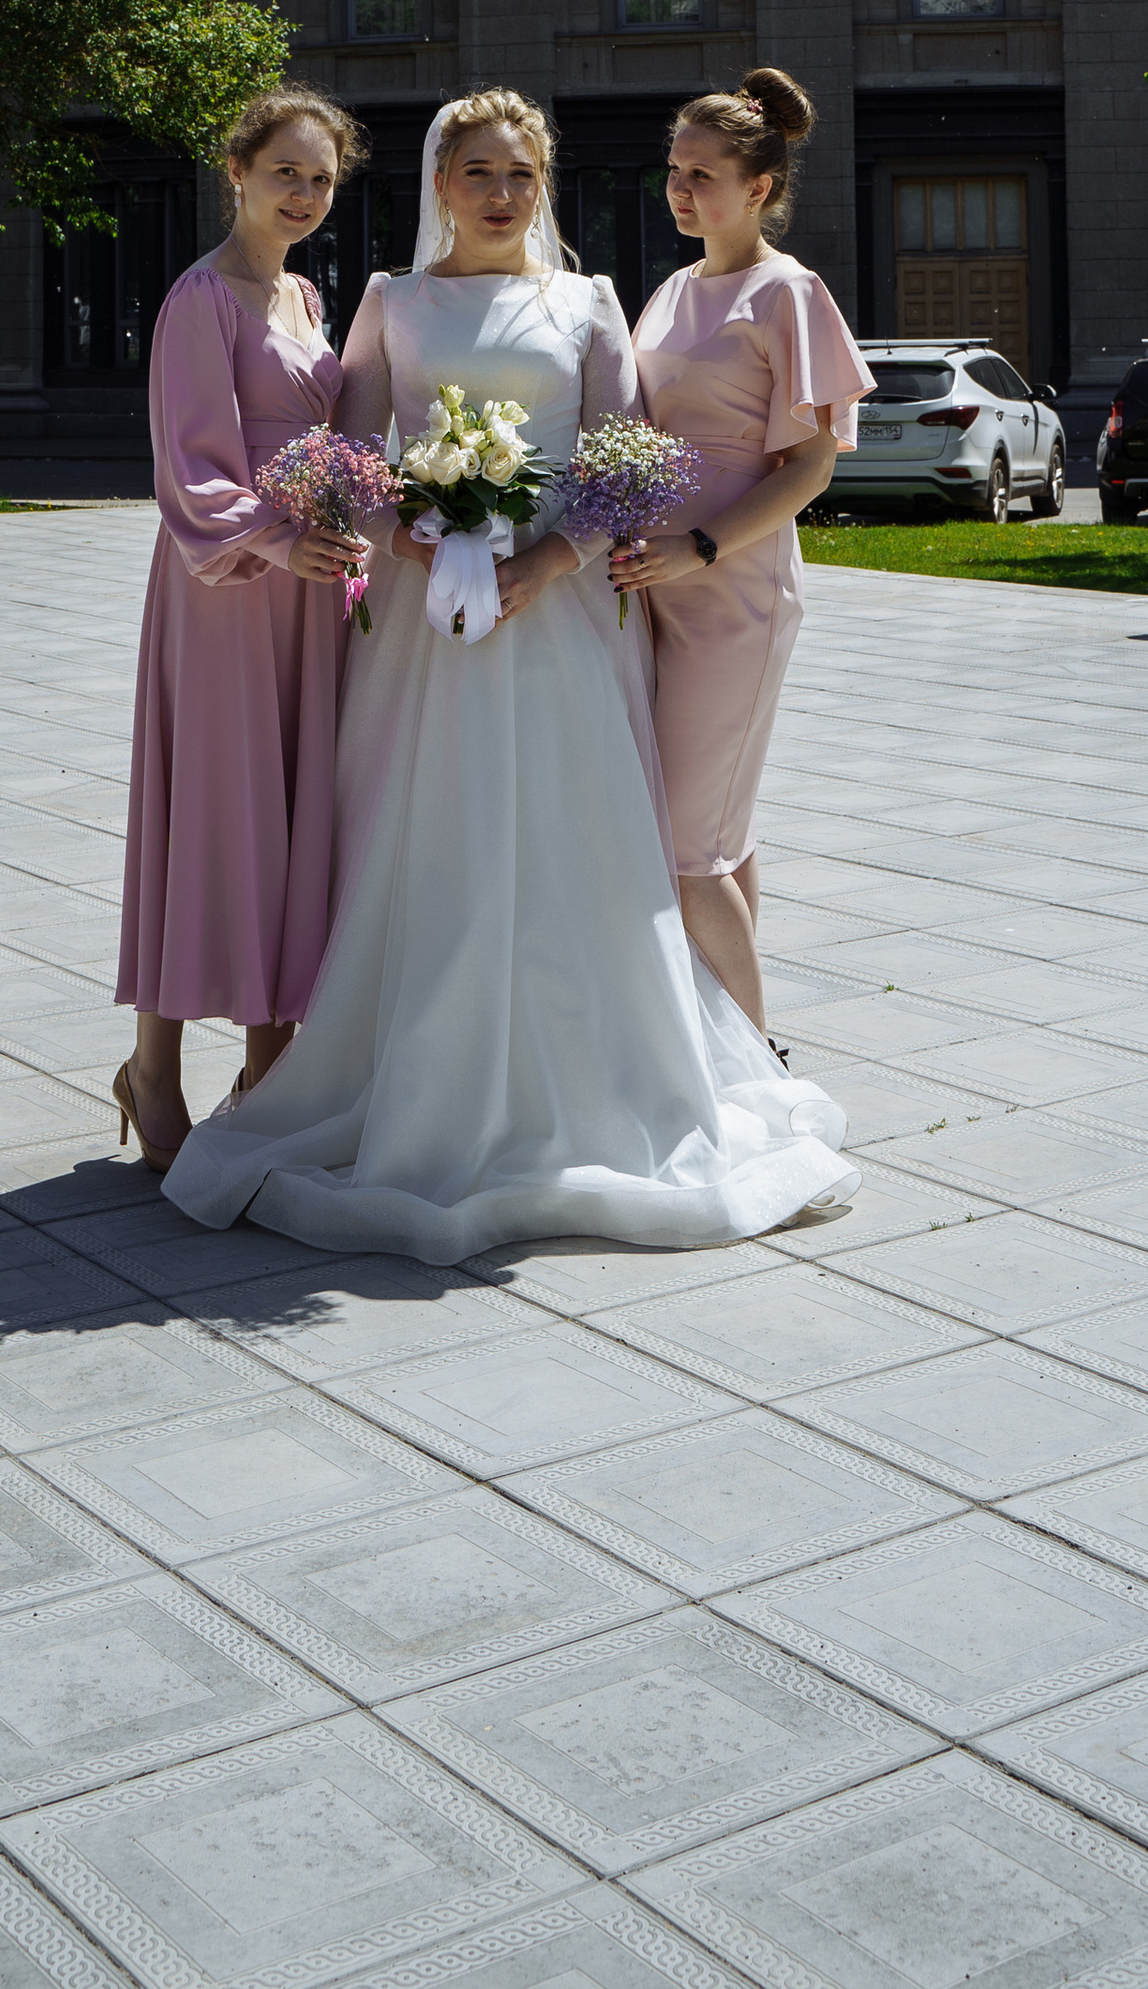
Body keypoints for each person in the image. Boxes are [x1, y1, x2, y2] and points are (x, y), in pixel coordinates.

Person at [164, 87, 851, 1262]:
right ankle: (400, 1069)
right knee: (427, 831)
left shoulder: (587, 302)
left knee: (578, 834)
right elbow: (354, 451)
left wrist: (548, 556)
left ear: (543, 186)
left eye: (519, 176)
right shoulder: (390, 300)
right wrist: (411, 541)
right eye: (477, 173)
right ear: (441, 185)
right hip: (421, 614)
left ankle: (599, 1071)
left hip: (563, 610)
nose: (499, 194)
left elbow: (618, 457)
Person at [114, 88, 373, 1169]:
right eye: (286, 173)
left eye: (320, 178)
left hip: (311, 593)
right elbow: (191, 475)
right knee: (212, 817)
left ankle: (273, 1068)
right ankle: (153, 1068)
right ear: (236, 171)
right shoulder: (200, 300)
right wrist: (276, 540)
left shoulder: (308, 301)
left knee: (294, 818)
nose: (304, 195)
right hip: (224, 594)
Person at [611, 71, 876, 1038]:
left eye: (704, 174)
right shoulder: (674, 290)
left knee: (685, 845)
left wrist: (703, 544)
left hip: (737, 593)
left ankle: (760, 1069)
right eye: (675, 171)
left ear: (759, 186)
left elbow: (811, 468)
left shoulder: (790, 292)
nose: (681, 191)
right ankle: (724, 1041)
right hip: (653, 590)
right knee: (719, 829)